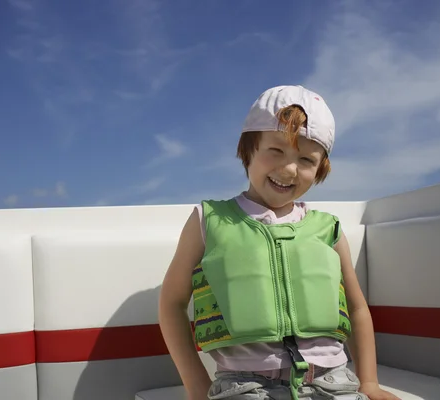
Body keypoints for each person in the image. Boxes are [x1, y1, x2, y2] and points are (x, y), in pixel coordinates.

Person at [158, 85, 400, 400]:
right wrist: (196, 389)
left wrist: (368, 384)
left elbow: (356, 308)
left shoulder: (329, 229)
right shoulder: (208, 220)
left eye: (306, 160)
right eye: (276, 151)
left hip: (334, 382)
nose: (289, 169)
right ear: (248, 149)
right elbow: (172, 303)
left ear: (320, 169)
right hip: (246, 386)